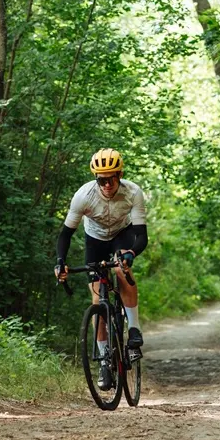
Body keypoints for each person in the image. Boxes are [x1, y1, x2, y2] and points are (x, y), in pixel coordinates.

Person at [54, 148, 148, 390]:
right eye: (101, 180)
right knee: (97, 298)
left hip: (122, 235)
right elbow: (65, 234)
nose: (107, 184)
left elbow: (141, 235)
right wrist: (60, 262)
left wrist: (131, 253)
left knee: (120, 269)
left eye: (112, 178)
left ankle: (134, 329)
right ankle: (105, 362)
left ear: (120, 175)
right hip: (94, 239)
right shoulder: (83, 196)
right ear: (96, 179)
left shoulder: (133, 192)